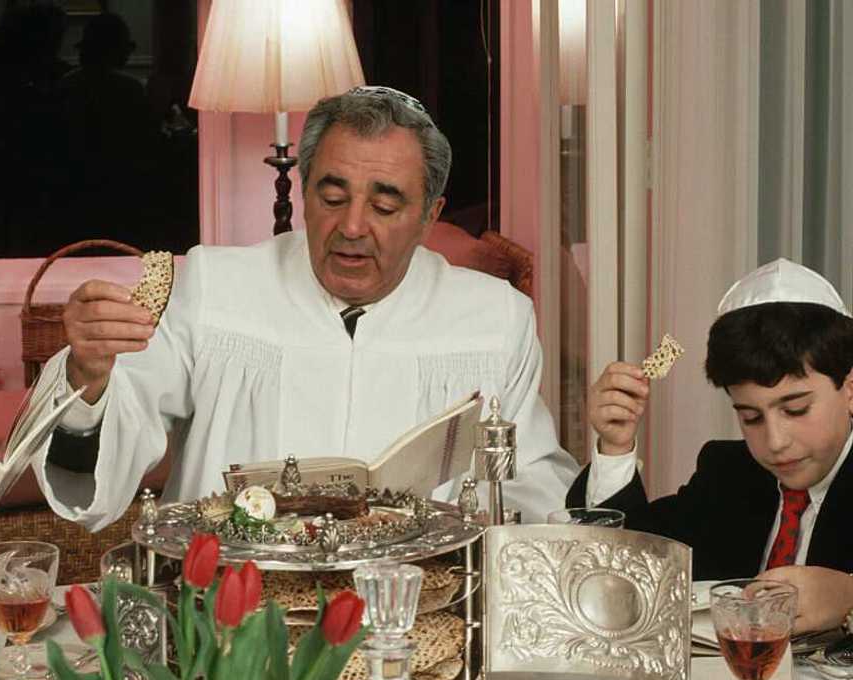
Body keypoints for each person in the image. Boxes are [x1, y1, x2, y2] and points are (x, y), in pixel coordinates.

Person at [31, 86, 578, 531]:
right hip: (233, 617)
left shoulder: (495, 320)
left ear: (429, 215)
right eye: (332, 197)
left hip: (412, 612)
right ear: (304, 187)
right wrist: (90, 376)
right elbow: (112, 441)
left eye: (385, 205)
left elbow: (532, 478)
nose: (353, 226)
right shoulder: (213, 286)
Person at [568, 258, 853, 634]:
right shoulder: (729, 473)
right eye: (750, 417)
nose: (775, 442)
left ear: (849, 389)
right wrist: (616, 444)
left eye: (796, 409)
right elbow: (622, 565)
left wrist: (848, 594)